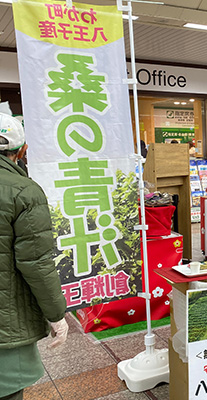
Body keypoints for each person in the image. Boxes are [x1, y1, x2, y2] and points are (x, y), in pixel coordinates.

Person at [0, 114, 68, 400]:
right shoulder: (23, 192)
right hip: (5, 322)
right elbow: (36, 263)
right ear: (22, 151)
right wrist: (56, 316)